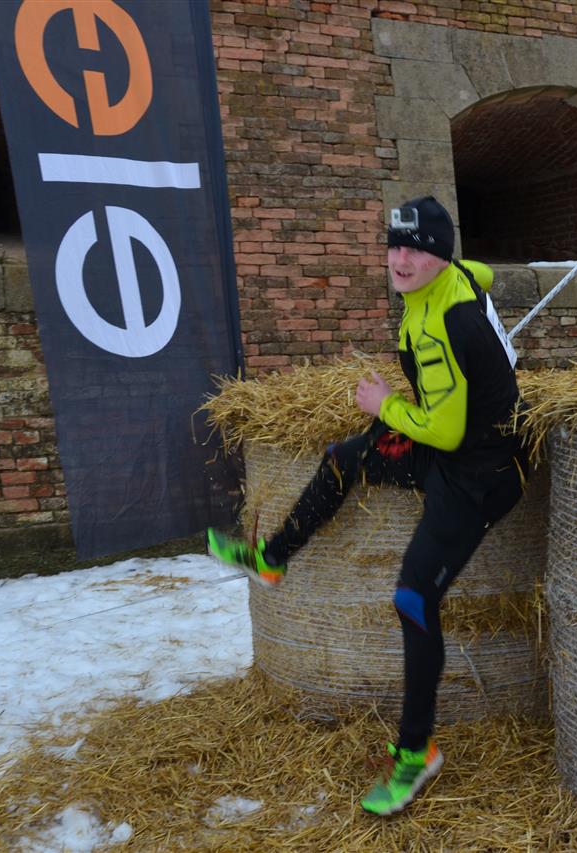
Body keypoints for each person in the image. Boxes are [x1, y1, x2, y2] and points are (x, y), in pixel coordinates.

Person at [206, 196, 528, 816]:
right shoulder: (453, 278)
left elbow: (446, 432)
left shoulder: (442, 327)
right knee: (345, 457)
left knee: (413, 598)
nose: (401, 260)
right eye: (395, 246)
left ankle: (416, 751)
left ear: (441, 257)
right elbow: (482, 273)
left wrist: (384, 405)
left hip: (481, 473)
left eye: (417, 250)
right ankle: (272, 557)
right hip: (457, 450)